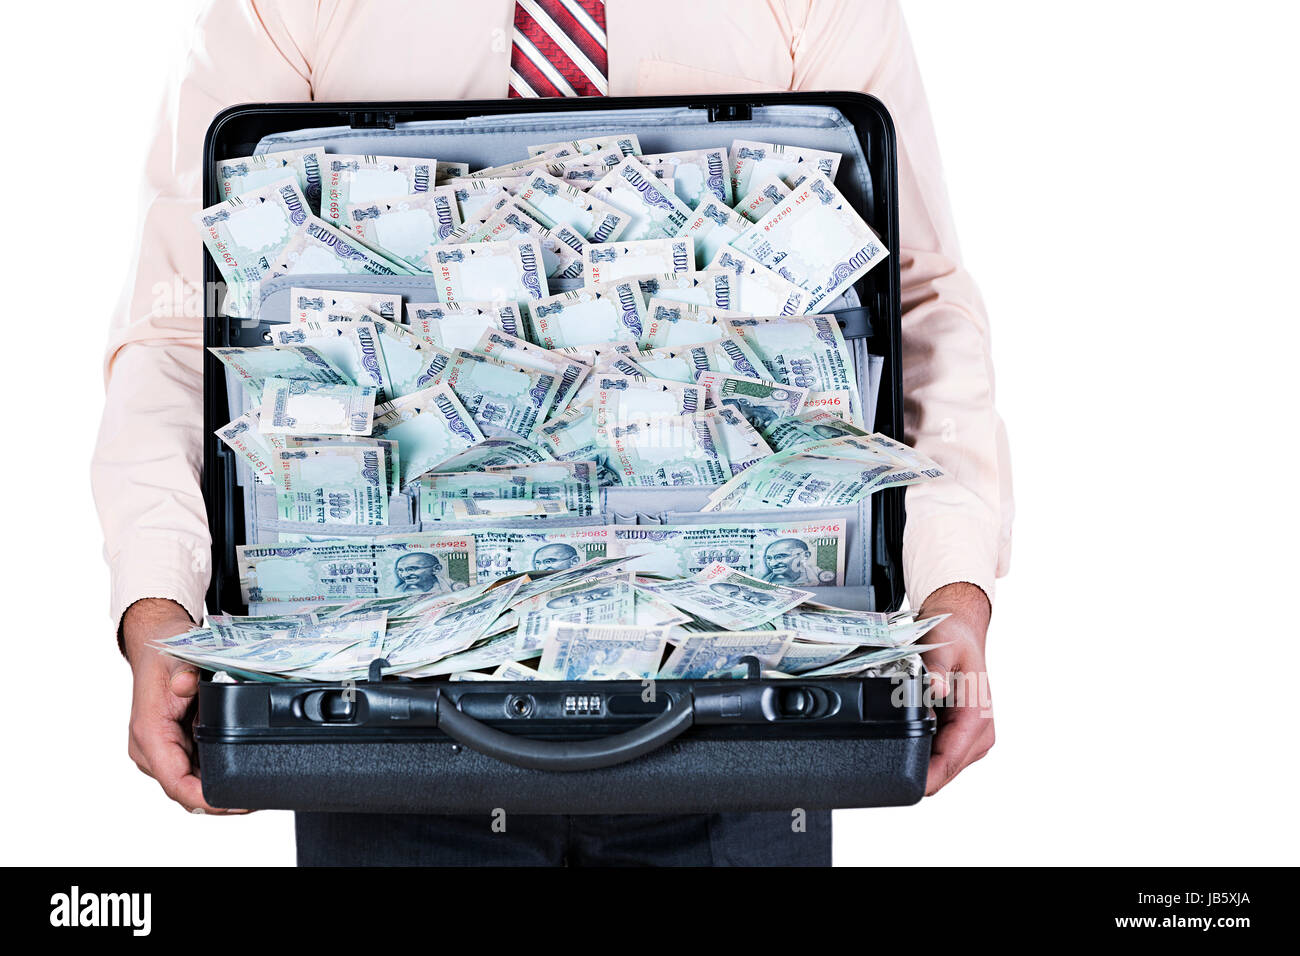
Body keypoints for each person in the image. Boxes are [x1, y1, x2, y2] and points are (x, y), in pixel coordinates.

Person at [96, 0, 1011, 866]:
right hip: (385, 732)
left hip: (746, 721)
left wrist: (954, 590)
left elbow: (915, 299)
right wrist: (156, 610)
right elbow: (184, 327)